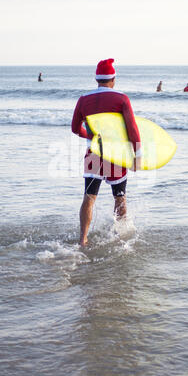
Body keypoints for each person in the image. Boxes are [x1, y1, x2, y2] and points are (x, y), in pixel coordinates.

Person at [71, 58, 142, 247]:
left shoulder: (83, 99)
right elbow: (132, 129)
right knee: (120, 197)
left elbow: (75, 129)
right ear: (113, 79)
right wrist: (138, 156)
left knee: (89, 197)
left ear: (97, 79)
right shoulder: (121, 98)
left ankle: (83, 239)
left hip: (94, 153)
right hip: (116, 155)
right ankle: (122, 238)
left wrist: (93, 137)